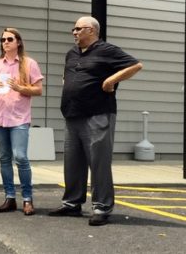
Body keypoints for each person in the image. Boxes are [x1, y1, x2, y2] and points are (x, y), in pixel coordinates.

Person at [48, 16, 142, 226]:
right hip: (73, 114)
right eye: (73, 29)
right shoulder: (71, 53)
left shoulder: (106, 50)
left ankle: (101, 207)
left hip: (98, 114)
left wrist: (110, 80)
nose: (74, 32)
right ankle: (72, 204)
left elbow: (135, 65)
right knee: (72, 162)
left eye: (78, 29)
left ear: (91, 30)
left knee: (98, 162)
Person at [0, 27, 43, 216]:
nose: (5, 42)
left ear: (18, 42)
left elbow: (38, 90)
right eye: (2, 40)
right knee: (4, 158)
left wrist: (20, 87)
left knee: (21, 157)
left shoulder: (29, 64)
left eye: (9, 39)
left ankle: (27, 198)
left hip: (19, 118)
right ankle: (9, 197)